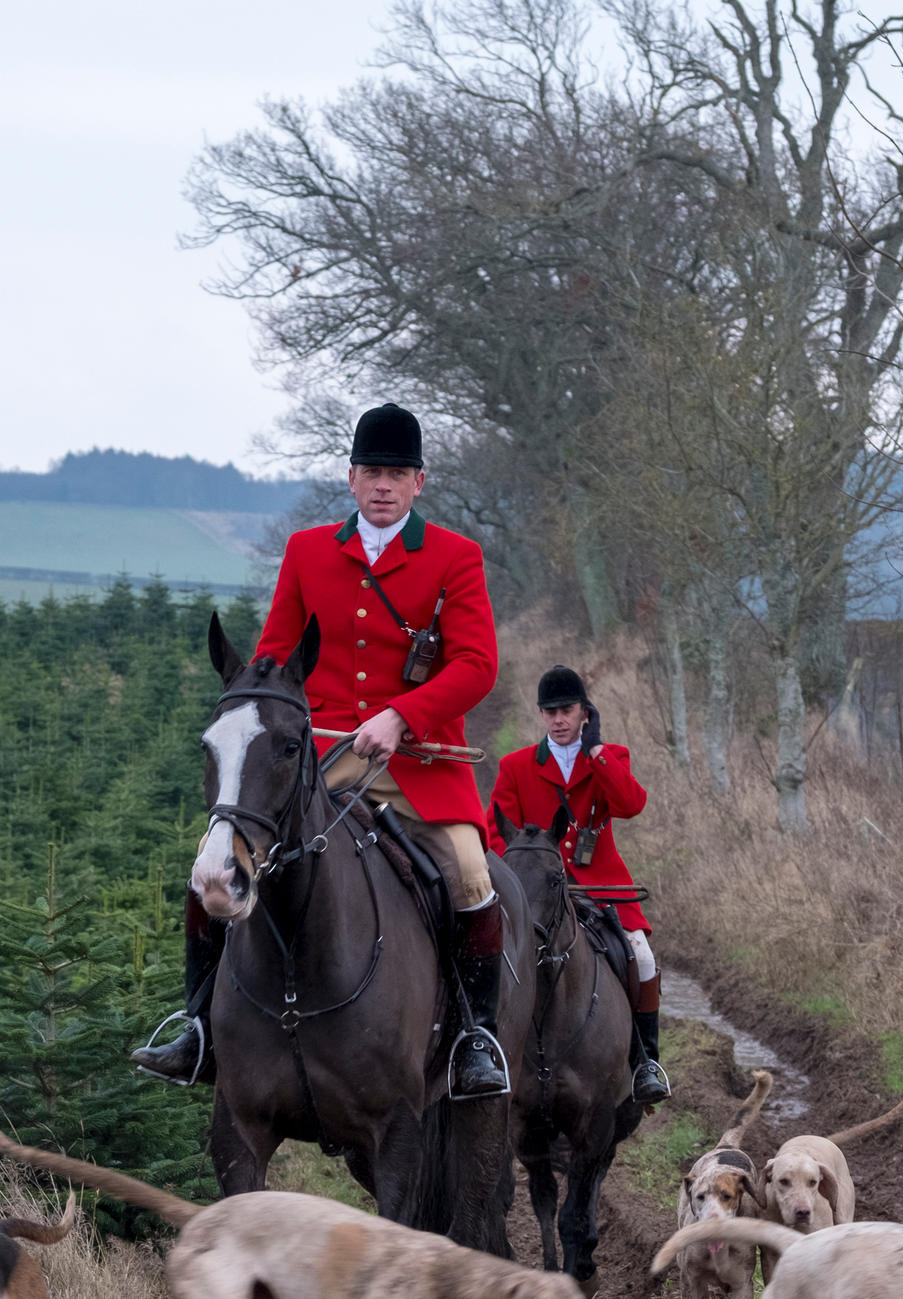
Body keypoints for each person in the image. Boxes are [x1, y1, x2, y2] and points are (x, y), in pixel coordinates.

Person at [133, 402, 509, 1096]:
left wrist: (402, 715)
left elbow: (476, 665)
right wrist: (255, 707)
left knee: (468, 873)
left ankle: (475, 1039)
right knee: (218, 861)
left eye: (397, 473)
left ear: (420, 482)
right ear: (350, 477)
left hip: (418, 764)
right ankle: (198, 1028)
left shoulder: (456, 557)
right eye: (372, 471)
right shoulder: (309, 550)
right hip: (322, 758)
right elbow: (277, 651)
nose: (383, 485)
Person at [487, 667, 669, 1106]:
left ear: (584, 712)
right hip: (534, 888)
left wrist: (599, 752)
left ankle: (646, 1061)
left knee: (641, 957)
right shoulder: (516, 766)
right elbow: (494, 831)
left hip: (602, 885)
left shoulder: (611, 757)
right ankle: (483, 1051)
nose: (558, 720)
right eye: (549, 712)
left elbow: (631, 804)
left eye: (566, 710)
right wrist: (515, 878)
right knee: (487, 954)